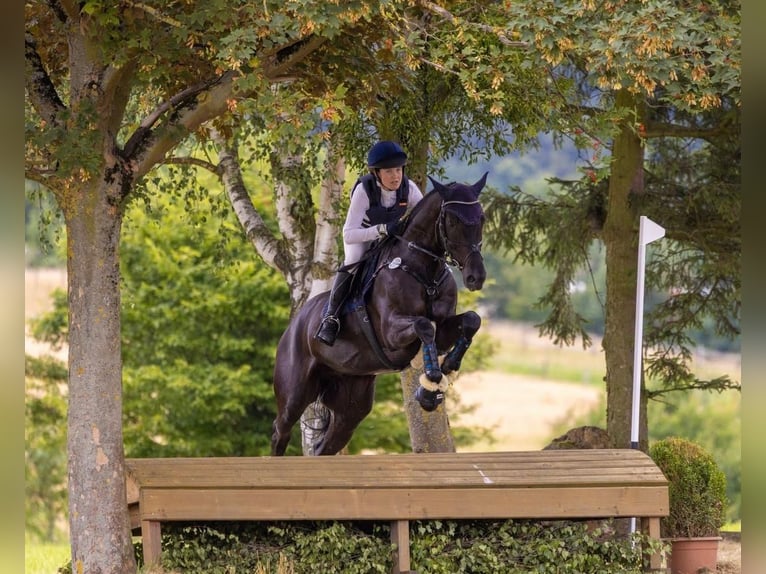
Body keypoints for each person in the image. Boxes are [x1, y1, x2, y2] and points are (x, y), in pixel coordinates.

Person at [315, 140, 424, 346]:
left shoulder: (409, 188)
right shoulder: (364, 191)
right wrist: (381, 230)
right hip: (362, 235)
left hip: (392, 236)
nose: (396, 176)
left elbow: (424, 216)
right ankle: (331, 317)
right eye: (389, 172)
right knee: (354, 260)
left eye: (399, 170)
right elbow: (349, 234)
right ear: (376, 173)